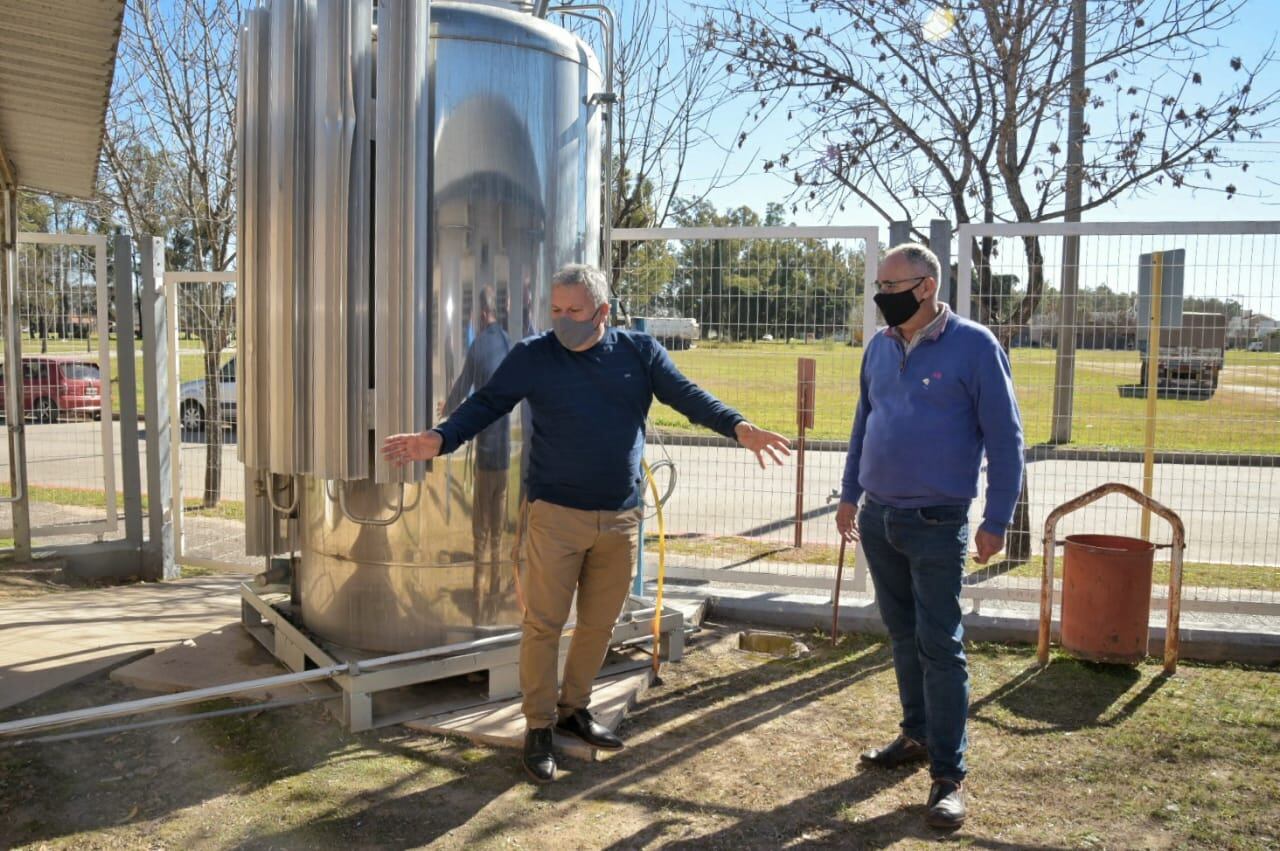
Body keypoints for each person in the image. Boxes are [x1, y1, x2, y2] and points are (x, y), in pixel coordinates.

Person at [383, 263, 792, 784]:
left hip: (620, 519)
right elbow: (488, 403)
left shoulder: (637, 353)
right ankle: (538, 725)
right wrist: (440, 439)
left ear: (602, 310)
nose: (563, 320)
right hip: (553, 516)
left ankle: (575, 707)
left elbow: (688, 397)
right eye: (555, 309)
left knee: (598, 624)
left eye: (574, 310)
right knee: (543, 625)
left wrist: (738, 427)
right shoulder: (534, 355)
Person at [835, 243, 1024, 830]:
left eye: (891, 284)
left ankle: (948, 775)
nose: (880, 294)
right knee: (901, 635)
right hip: (878, 517)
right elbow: (864, 423)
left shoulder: (974, 346)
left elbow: (1006, 438)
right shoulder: (879, 346)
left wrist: (997, 520)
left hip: (939, 521)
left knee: (940, 645)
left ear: (926, 286)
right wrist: (848, 495)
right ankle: (914, 735)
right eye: (878, 283)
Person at [440, 286, 512, 624]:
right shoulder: (509, 342)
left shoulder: (480, 344)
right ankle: (497, 583)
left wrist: (447, 411)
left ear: (482, 314)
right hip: (506, 451)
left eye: (473, 315)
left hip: (486, 448)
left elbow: (464, 383)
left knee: (482, 526)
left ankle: (481, 591)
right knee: (498, 521)